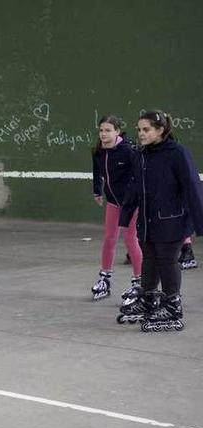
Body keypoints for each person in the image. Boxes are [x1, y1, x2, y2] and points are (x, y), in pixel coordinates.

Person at [118, 110, 203, 332]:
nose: (141, 133)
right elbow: (134, 187)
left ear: (160, 130)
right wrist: (126, 216)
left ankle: (173, 305)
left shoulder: (177, 153)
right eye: (139, 129)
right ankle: (148, 299)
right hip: (147, 221)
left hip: (171, 221)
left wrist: (199, 222)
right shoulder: (141, 154)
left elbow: (192, 187)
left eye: (146, 129)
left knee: (167, 261)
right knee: (149, 260)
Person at [90, 115, 143, 302]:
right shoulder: (99, 151)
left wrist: (136, 198)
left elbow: (140, 175)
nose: (103, 134)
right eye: (101, 130)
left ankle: (139, 282)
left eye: (108, 130)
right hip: (113, 202)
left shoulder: (128, 151)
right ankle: (105, 279)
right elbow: (97, 171)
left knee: (130, 238)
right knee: (109, 238)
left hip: (131, 204)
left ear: (117, 132)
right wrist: (97, 191)